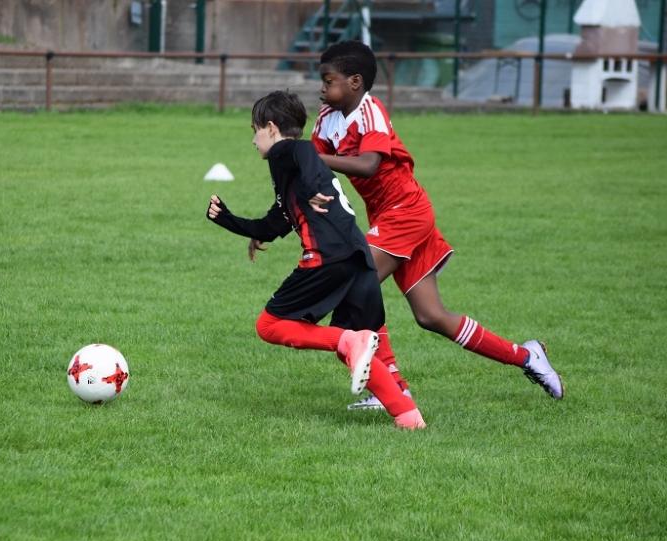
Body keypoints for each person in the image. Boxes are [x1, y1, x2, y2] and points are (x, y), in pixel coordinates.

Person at [250, 40, 563, 409]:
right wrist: (269, 223)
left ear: (355, 82)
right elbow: (310, 173)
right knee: (431, 315)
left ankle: (394, 389)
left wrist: (314, 157)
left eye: (328, 81)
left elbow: (367, 165)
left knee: (355, 286)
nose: (322, 88)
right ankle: (526, 356)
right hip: (389, 217)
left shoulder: (370, 111)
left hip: (406, 211)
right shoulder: (327, 119)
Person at [206, 90, 426, 430]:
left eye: (255, 130)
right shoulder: (292, 177)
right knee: (352, 345)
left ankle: (349, 340)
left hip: (327, 255)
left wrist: (311, 190)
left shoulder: (288, 151)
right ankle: (408, 415)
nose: (253, 140)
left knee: (269, 326)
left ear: (271, 128)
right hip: (358, 257)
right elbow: (272, 225)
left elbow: (306, 151)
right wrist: (227, 219)